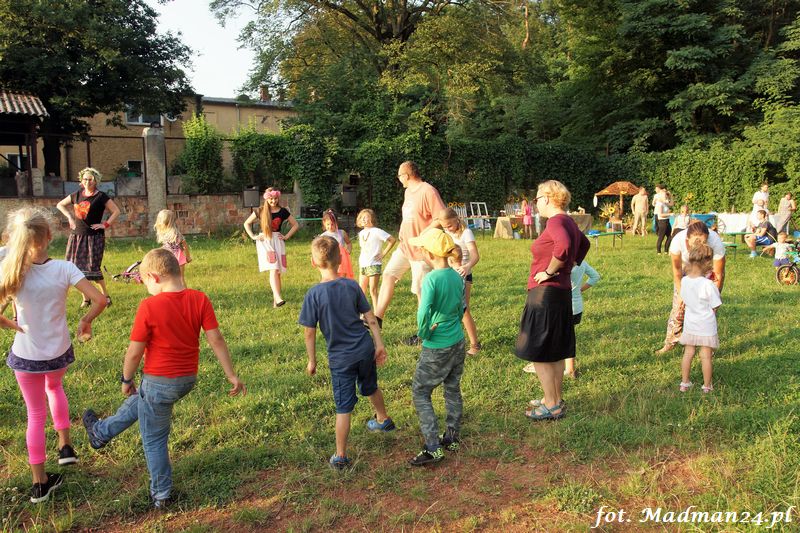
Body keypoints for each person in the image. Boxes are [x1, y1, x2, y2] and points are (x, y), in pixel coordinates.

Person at [82, 249, 246, 508]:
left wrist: (126, 379)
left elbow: (134, 352)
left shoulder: (149, 306)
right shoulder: (200, 299)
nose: (146, 288)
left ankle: (161, 494)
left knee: (154, 439)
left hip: (159, 382)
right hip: (186, 380)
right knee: (143, 401)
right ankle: (100, 433)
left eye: (144, 282)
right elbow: (216, 339)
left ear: (154, 277)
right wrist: (231, 375)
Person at [0, 207, 107, 503]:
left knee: (35, 415)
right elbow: (100, 300)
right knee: (55, 388)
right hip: (58, 351)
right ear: (49, 235)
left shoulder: (11, 269)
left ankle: (40, 483)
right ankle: (65, 447)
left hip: (26, 356)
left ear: (15, 238)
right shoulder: (65, 268)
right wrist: (85, 321)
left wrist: (12, 325)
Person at [299, 236, 394, 470]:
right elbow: (371, 318)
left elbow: (309, 332)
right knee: (370, 386)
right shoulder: (352, 285)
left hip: (341, 359)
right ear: (340, 259)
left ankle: (340, 456)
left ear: (313, 262)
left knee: (344, 407)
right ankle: (383, 419)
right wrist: (379, 344)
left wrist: (312, 360)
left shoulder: (313, 294)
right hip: (364, 348)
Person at [515, 180, 590, 421]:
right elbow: (584, 243)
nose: (536, 203)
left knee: (539, 350)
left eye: (537, 198)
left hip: (545, 293)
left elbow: (565, 244)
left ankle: (551, 404)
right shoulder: (568, 221)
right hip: (560, 292)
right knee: (554, 350)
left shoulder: (556, 221)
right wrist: (570, 264)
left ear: (547, 198)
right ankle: (555, 399)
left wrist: (550, 271)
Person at [406, 228, 466, 466]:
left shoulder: (431, 279)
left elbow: (424, 310)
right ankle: (452, 437)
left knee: (421, 392)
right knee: (452, 387)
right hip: (457, 340)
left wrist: (423, 333)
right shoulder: (456, 276)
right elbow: (461, 307)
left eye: (422, 248)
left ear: (429, 254)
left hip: (437, 345)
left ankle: (433, 448)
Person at [374, 161, 445, 344]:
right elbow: (408, 217)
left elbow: (441, 218)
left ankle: (423, 333)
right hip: (405, 246)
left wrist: (423, 234)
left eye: (399, 175)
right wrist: (402, 230)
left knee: (422, 293)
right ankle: (377, 319)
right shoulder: (408, 192)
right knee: (389, 274)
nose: (399, 179)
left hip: (421, 250)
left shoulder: (428, 191)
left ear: (406, 175)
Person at [656, 220, 726, 354]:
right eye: (696, 242)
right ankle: (671, 342)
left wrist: (712, 298)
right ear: (687, 239)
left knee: (706, 314)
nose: (700, 245)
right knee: (678, 309)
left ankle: (706, 347)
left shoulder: (715, 242)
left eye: (704, 242)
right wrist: (682, 295)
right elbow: (677, 272)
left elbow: (718, 274)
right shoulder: (678, 241)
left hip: (707, 271)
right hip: (686, 271)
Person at [56, 167, 121, 307]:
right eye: (85, 179)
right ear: (81, 180)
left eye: (90, 179)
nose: (87, 182)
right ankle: (86, 299)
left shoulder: (101, 196)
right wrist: (69, 217)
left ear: (96, 181)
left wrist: (105, 224)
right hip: (76, 237)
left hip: (94, 237)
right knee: (75, 270)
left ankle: (106, 296)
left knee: (93, 269)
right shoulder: (76, 195)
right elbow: (60, 205)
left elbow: (116, 211)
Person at [243, 187, 300, 307]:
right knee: (273, 268)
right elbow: (246, 223)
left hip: (278, 241)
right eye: (271, 199)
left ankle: (276, 301)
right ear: (267, 199)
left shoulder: (283, 211)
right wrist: (253, 236)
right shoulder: (261, 210)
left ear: (278, 198)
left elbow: (295, 225)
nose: (273, 201)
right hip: (265, 242)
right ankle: (278, 298)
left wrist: (286, 236)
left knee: (278, 271)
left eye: (275, 198)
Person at [678, 244, 721, 394]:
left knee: (688, 353)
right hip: (706, 325)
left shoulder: (684, 281)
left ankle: (684, 383)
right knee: (706, 356)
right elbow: (715, 304)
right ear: (708, 263)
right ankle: (707, 386)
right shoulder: (708, 284)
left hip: (690, 323)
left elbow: (684, 299)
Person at [438, 208, 481, 355]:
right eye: (444, 227)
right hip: (449, 275)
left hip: (463, 275)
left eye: (449, 225)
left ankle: (475, 345)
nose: (447, 229)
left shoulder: (466, 233)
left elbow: (475, 255)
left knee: (463, 310)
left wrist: (467, 266)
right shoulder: (445, 233)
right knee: (450, 310)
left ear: (457, 218)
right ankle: (451, 342)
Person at [356, 209, 396, 308]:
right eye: (361, 217)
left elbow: (392, 240)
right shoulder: (361, 233)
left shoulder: (377, 231)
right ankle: (363, 313)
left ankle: (377, 313)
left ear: (372, 219)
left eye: (366, 217)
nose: (363, 219)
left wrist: (383, 253)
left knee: (373, 290)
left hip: (374, 264)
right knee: (362, 290)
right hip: (363, 264)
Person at [154, 209, 191, 286]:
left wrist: (188, 257)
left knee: (172, 279)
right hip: (177, 258)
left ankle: (177, 292)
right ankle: (182, 293)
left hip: (170, 258)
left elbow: (183, 245)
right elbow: (184, 246)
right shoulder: (173, 232)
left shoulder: (171, 233)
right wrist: (188, 257)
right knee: (180, 278)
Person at [321, 209, 354, 279]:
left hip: (342, 259)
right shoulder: (323, 236)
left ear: (336, 223)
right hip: (330, 259)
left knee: (342, 277)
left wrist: (348, 250)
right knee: (332, 276)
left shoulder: (342, 233)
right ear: (324, 223)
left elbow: (348, 243)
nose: (330, 226)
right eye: (328, 224)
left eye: (332, 224)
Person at [653, 184, 672, 254]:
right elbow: (660, 215)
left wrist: (671, 196)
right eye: (665, 195)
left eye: (666, 195)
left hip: (667, 221)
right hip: (662, 222)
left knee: (670, 236)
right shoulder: (660, 204)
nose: (666, 196)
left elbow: (671, 204)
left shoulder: (665, 203)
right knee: (661, 237)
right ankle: (658, 252)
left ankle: (666, 251)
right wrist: (670, 214)